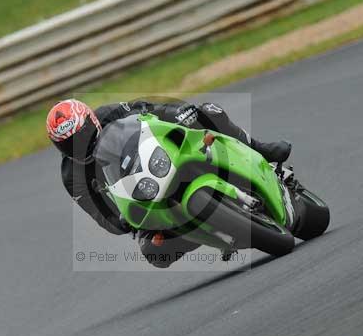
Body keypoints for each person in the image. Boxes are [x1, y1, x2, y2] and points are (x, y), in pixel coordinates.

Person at [47, 98, 293, 268]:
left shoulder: (110, 113)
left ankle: (260, 148)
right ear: (59, 146)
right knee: (154, 252)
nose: (80, 144)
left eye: (83, 133)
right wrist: (119, 222)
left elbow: (150, 111)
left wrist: (180, 113)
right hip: (141, 197)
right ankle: (214, 231)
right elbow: (97, 212)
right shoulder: (72, 175)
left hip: (161, 158)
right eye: (69, 143)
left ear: (91, 120)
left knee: (208, 112)